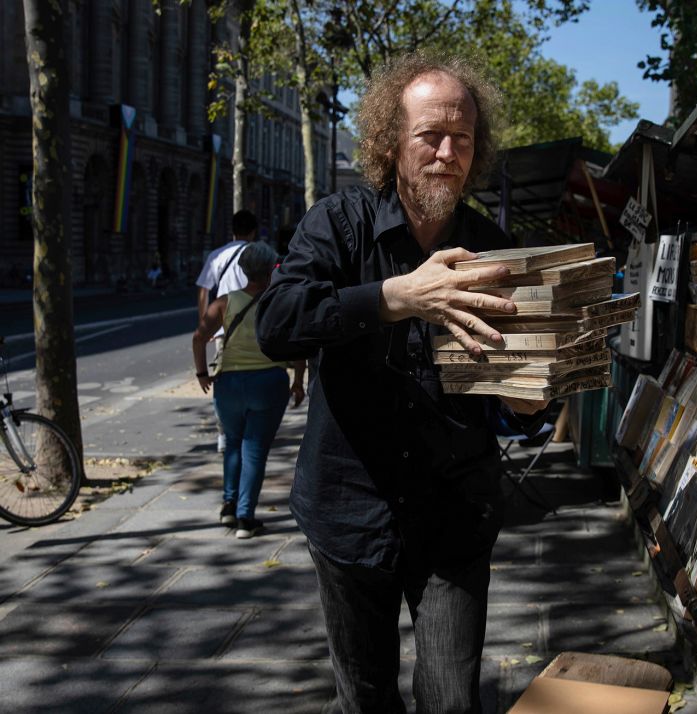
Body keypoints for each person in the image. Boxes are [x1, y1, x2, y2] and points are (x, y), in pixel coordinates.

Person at [255, 52, 549, 713]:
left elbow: (519, 395)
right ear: (391, 142)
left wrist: (528, 403)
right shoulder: (338, 223)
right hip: (348, 512)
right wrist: (394, 295)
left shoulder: (493, 248)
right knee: (365, 697)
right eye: (430, 136)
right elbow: (275, 324)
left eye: (463, 139)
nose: (448, 153)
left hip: (454, 517)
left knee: (450, 701)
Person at [192, 242, 305, 539]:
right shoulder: (279, 302)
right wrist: (298, 380)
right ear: (271, 269)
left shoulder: (224, 303)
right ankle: (245, 517)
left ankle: (228, 506)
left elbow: (199, 337)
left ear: (243, 270)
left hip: (228, 384)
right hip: (269, 382)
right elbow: (296, 344)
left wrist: (202, 373)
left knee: (233, 443)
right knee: (254, 450)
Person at [195, 209, 259, 452]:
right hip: (255, 327)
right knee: (256, 374)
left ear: (232, 231)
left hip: (224, 329)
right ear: (253, 231)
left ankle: (224, 433)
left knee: (224, 379)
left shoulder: (217, 256)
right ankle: (252, 429)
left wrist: (206, 322)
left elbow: (203, 290)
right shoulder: (259, 254)